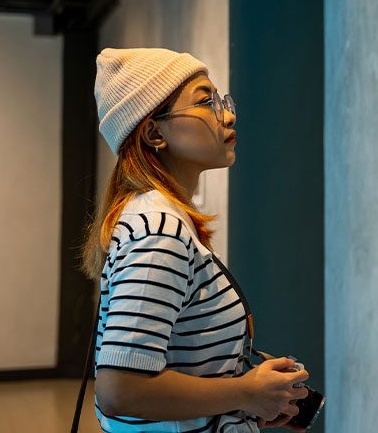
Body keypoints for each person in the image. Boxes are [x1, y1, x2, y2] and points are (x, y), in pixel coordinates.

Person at [82, 48, 309, 432]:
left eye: (220, 100)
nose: (229, 114)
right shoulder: (158, 231)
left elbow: (175, 363)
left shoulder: (164, 221)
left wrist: (250, 396)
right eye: (206, 101)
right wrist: (244, 393)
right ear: (155, 132)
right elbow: (120, 389)